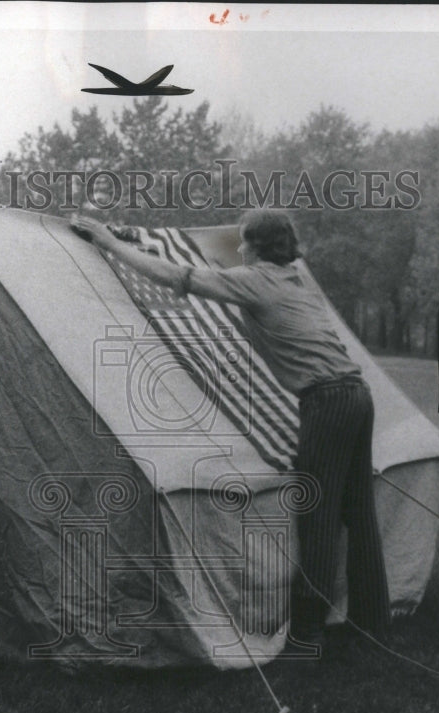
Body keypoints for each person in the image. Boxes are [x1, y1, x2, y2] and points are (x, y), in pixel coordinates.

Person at [70, 210, 391, 651]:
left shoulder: (256, 281)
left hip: (327, 403)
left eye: (243, 242)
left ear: (256, 247)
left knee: (317, 519)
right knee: (359, 513)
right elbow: (210, 267)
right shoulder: (293, 279)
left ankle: (307, 636)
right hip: (357, 395)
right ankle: (373, 627)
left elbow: (176, 276)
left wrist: (108, 241)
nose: (238, 248)